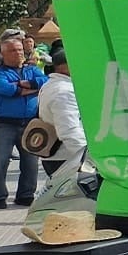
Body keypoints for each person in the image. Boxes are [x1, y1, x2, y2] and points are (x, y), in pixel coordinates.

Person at [0, 34, 44, 209]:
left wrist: (22, 84)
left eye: (19, 49)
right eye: (12, 50)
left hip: (30, 122)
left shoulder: (31, 70)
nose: (18, 53)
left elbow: (44, 81)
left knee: (30, 162)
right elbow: (4, 89)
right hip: (4, 123)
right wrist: (30, 89)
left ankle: (25, 195)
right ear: (3, 54)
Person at [34, 42, 84, 176]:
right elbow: (69, 131)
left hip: (61, 157)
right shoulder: (64, 92)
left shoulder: (52, 85)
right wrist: (90, 159)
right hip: (67, 158)